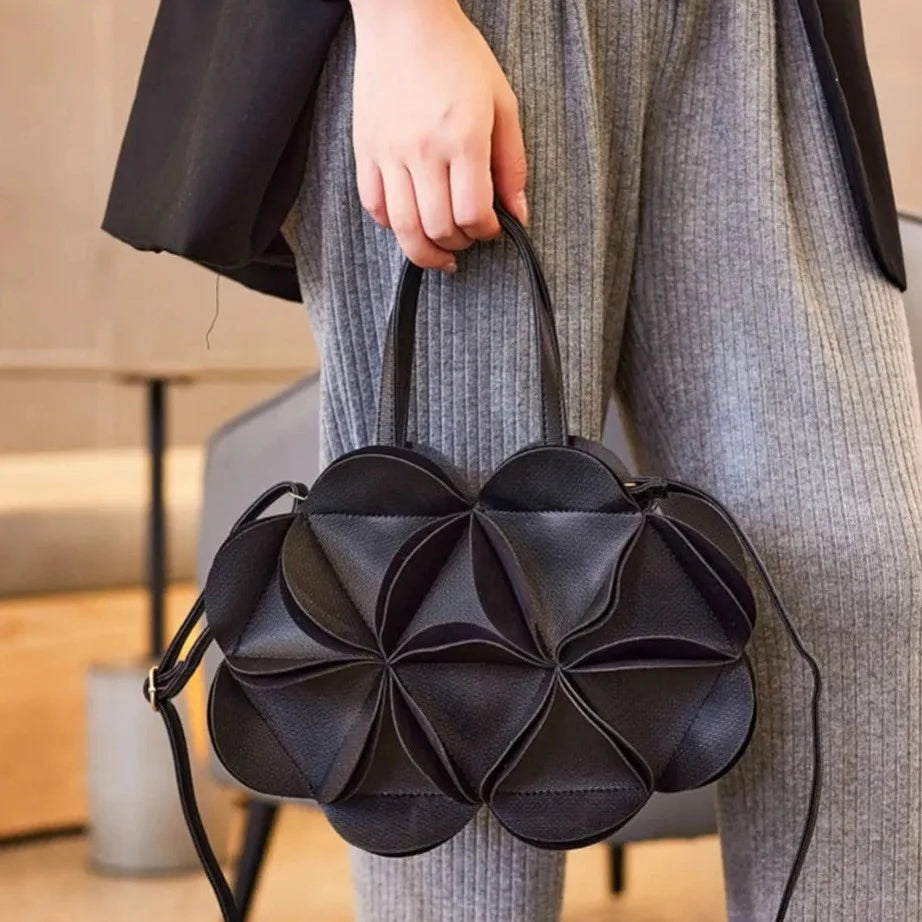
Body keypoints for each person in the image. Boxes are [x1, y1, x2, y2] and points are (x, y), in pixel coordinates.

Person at [275, 1, 922, 921]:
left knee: (855, 575)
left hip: (759, 29)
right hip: (475, 24)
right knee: (452, 670)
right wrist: (404, 23)